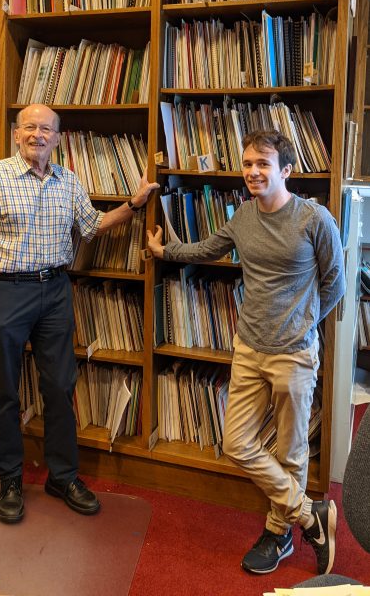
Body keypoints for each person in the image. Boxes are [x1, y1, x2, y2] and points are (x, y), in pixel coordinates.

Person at [147, 129, 345, 576]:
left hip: (294, 353)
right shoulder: (241, 217)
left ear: (286, 171)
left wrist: (306, 323)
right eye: (248, 164)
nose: (253, 172)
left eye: (263, 164)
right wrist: (165, 250)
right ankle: (310, 515)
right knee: (237, 442)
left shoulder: (314, 219)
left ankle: (281, 534)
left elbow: (335, 283)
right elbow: (207, 249)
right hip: (249, 348)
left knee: (292, 452)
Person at [0, 103, 159, 524]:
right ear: (16, 133)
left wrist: (133, 206)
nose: (38, 135)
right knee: (5, 392)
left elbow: (92, 226)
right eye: (30, 127)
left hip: (57, 291)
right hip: (6, 290)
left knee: (61, 386)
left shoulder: (69, 181)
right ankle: (9, 479)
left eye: (46, 129)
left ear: (58, 138)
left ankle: (62, 477)